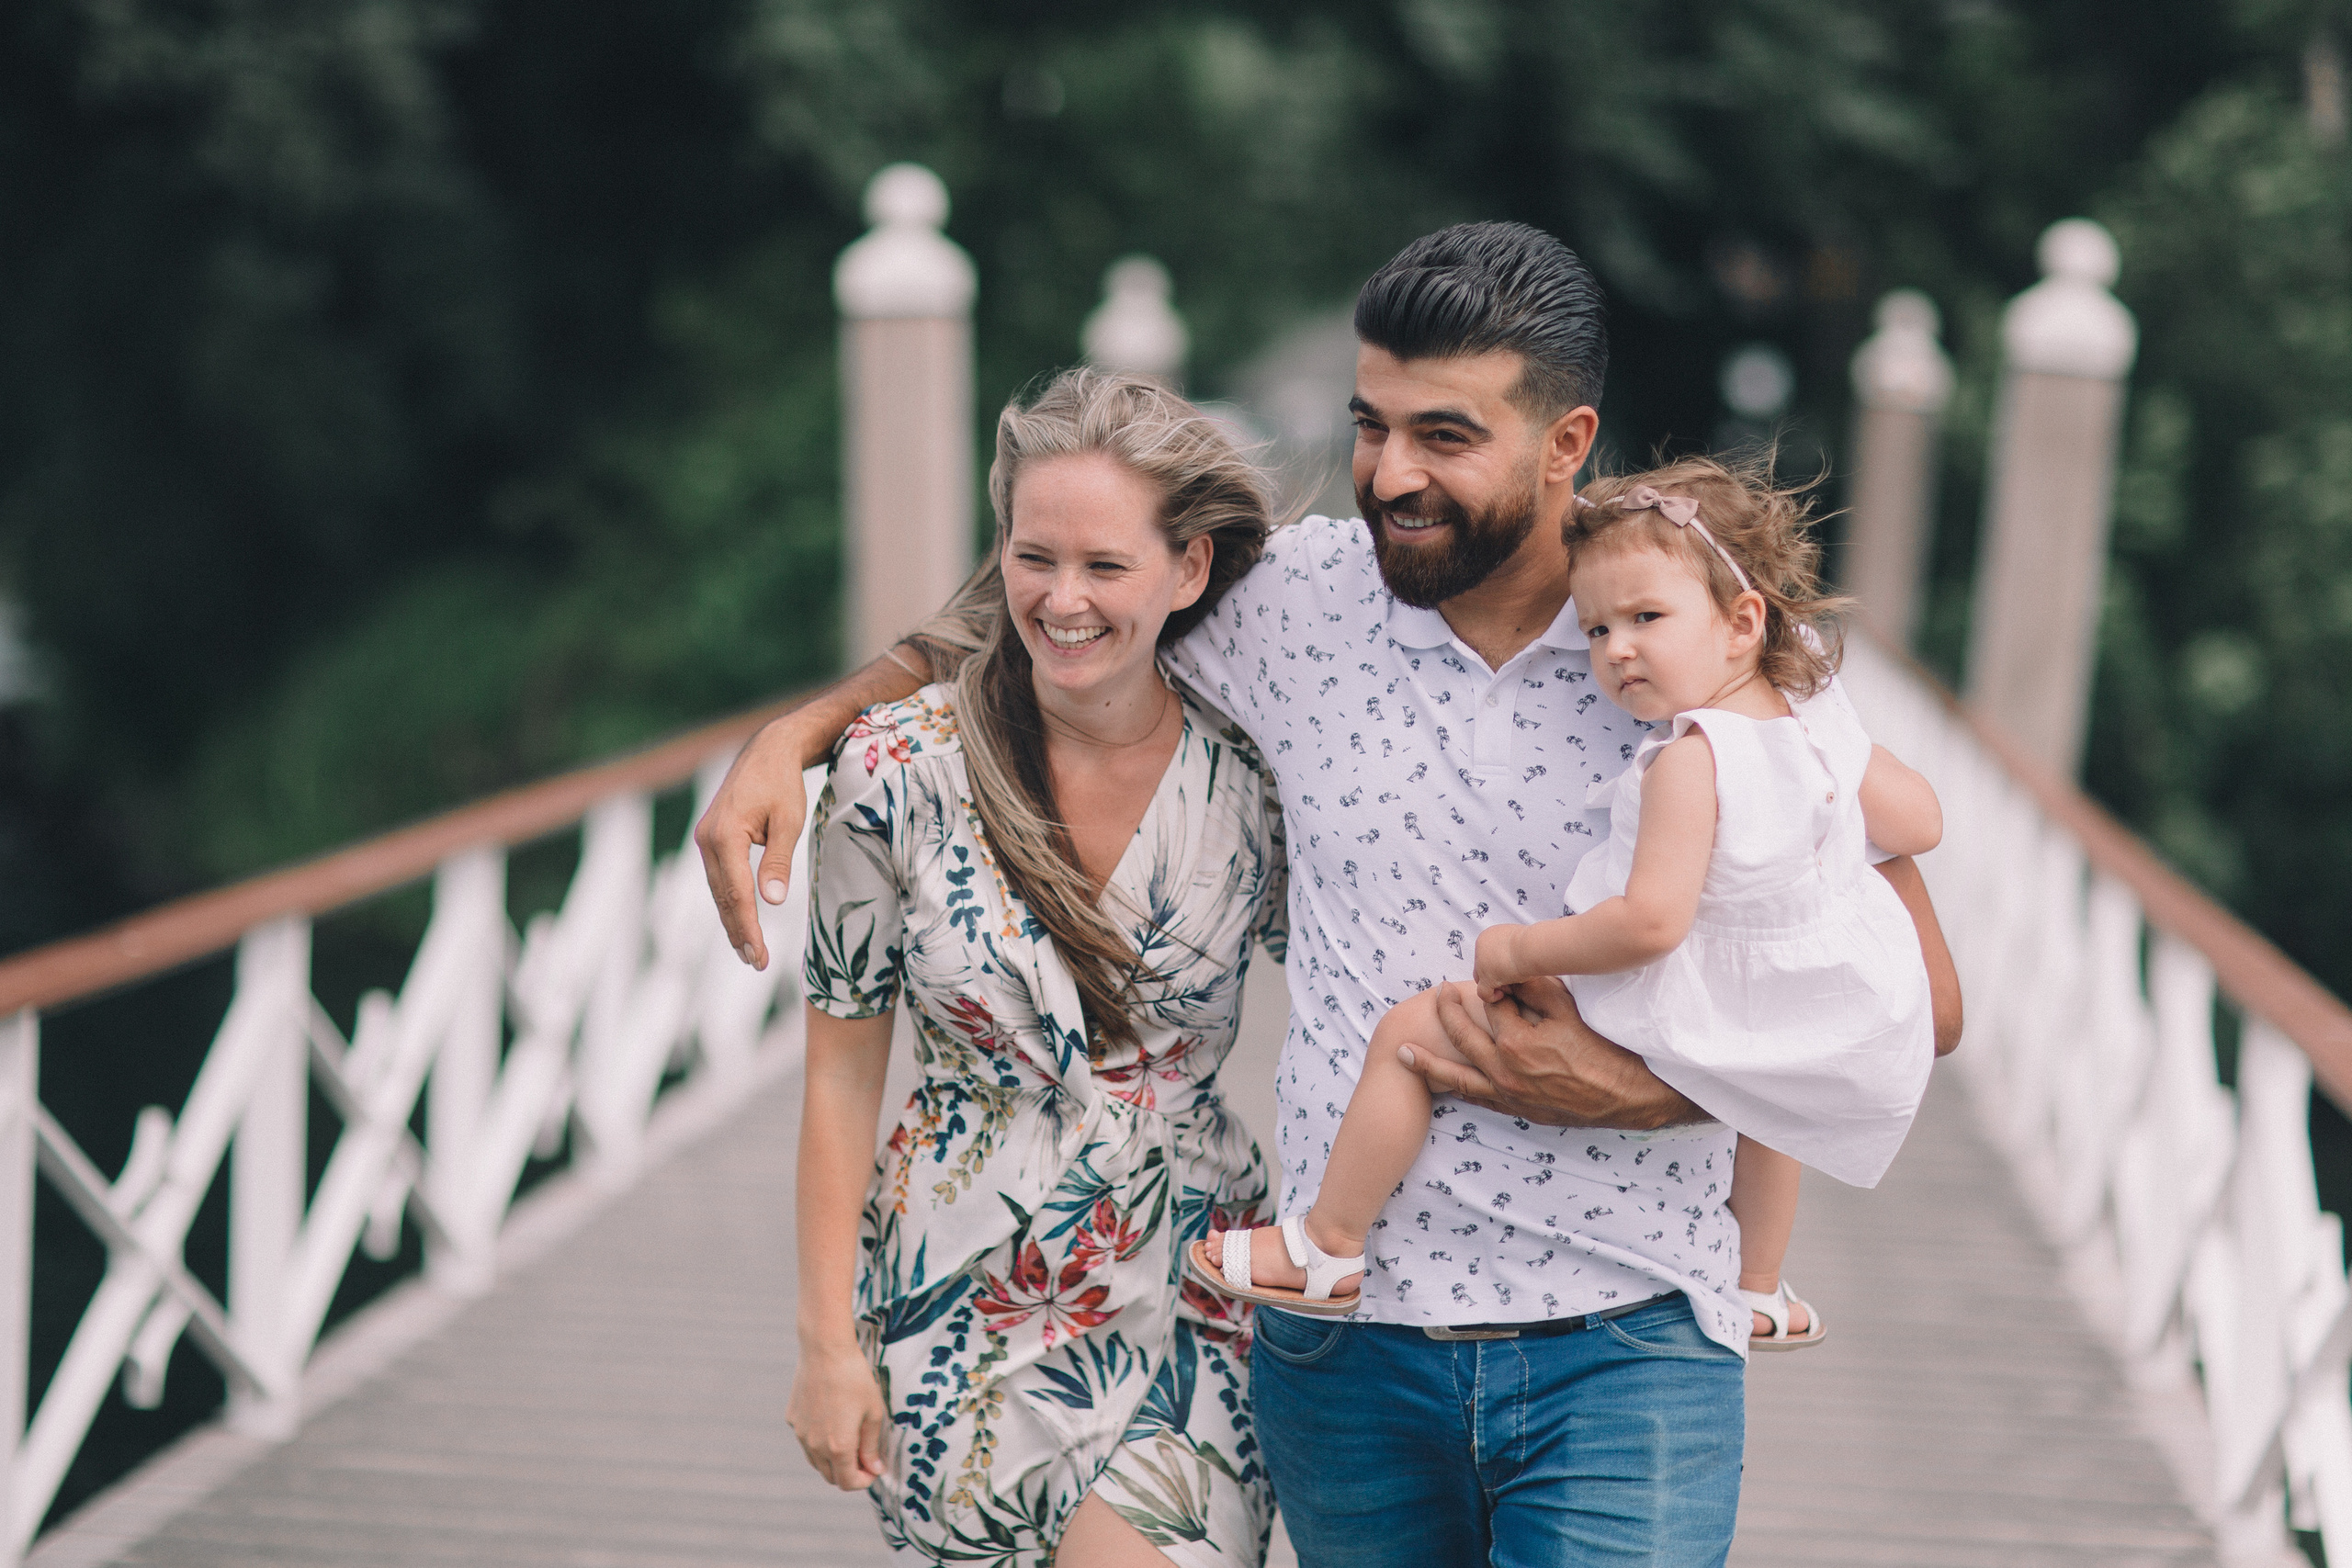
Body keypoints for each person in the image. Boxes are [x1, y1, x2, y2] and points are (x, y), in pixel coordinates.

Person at [713, 222, 1963, 1568]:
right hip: (1337, 1345)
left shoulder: (1695, 652)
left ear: (1566, 439)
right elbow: (1066, 590)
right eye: (1371, 425)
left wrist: (1657, 1083)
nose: (1390, 473)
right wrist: (798, 732)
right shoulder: (1300, 599)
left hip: (1631, 1332)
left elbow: (1918, 1002)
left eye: (1444, 434)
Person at [1185, 456, 1943, 1353]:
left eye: (1645, 619)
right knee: (1763, 1103)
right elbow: (1920, 822)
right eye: (1595, 630)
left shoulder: (1688, 758)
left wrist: (1521, 949)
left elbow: (1648, 923)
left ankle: (1328, 1243)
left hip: (1680, 993)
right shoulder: (1815, 738)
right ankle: (1759, 1285)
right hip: (1793, 996)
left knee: (1412, 1035)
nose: (1616, 649)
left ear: (1741, 623)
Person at [786, 367, 1289, 1567]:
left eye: (1106, 566)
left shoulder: (1255, 783)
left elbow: (1371, 988)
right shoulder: (894, 768)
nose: (1063, 599)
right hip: (959, 1302)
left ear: (1188, 570)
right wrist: (824, 1343)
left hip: (1192, 1293)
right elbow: (840, 1078)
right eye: (1034, 557)